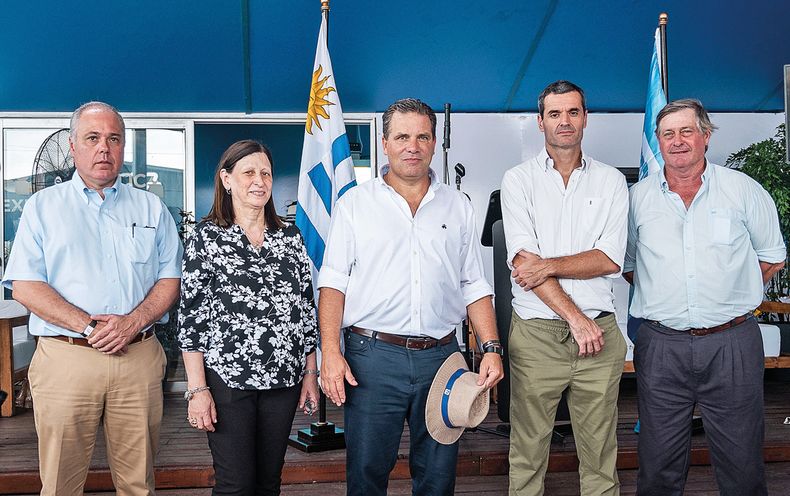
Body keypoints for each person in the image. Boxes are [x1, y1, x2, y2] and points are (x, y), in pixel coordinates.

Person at [318, 98, 504, 496]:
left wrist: (491, 347)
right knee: (367, 472)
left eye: (422, 136)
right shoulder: (354, 205)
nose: (412, 146)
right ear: (384, 143)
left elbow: (474, 283)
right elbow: (333, 283)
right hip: (371, 359)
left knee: (438, 477)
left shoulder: (459, 206)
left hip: (442, 357)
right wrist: (330, 353)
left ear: (434, 142)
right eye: (401, 136)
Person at [1, 101, 182, 496]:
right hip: (67, 359)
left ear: (123, 148)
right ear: (72, 146)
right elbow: (26, 286)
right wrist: (89, 326)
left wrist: (132, 322)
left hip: (138, 358)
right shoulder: (42, 208)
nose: (105, 148)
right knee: (61, 484)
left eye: (114, 139)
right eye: (93, 138)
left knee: (139, 484)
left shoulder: (150, 207)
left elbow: (171, 279)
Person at [624, 99, 786, 496]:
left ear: (706, 136)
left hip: (732, 343)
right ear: (657, 141)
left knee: (742, 463)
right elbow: (628, 265)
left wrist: (728, 293)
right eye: (668, 134)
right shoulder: (635, 199)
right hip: (661, 345)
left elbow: (771, 258)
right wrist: (671, 296)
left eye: (686, 131)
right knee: (658, 464)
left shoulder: (743, 190)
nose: (677, 141)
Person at [501, 80, 629, 495]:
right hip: (538, 334)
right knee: (528, 450)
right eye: (555, 114)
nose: (564, 121)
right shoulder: (517, 180)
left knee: (599, 455)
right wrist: (575, 317)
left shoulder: (611, 181)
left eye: (573, 112)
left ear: (585, 118)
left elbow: (609, 259)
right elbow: (523, 264)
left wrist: (549, 265)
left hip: (600, 334)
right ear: (540, 122)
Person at [178, 139, 319, 495]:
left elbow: (305, 311)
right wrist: (197, 390)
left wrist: (310, 374)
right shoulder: (205, 237)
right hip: (228, 381)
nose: (259, 181)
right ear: (226, 179)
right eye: (249, 172)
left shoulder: (290, 236)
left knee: (269, 482)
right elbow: (191, 320)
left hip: (284, 382)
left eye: (266, 173)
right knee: (236, 484)